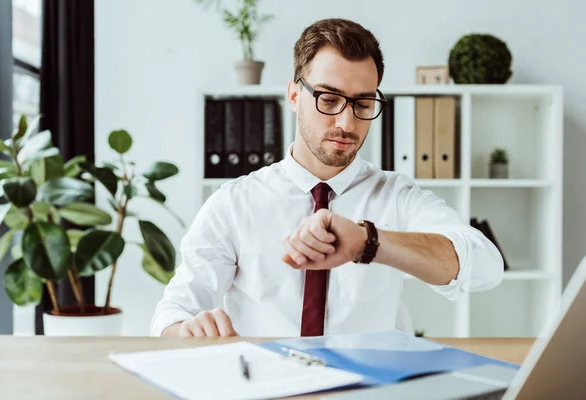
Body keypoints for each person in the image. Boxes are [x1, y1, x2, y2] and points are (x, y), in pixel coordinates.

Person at [151, 18, 503, 338]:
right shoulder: (233, 204)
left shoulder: (397, 196)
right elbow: (171, 314)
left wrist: (368, 242)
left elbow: (485, 267)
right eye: (329, 99)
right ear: (293, 95)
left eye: (363, 105)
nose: (347, 124)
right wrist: (185, 331)